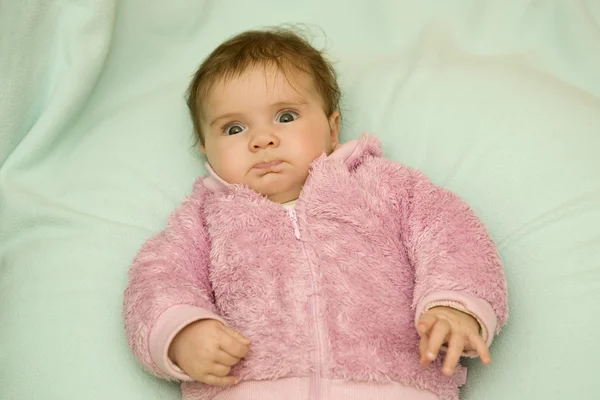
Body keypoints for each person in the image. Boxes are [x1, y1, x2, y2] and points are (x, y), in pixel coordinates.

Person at [123, 27, 508, 400]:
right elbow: (157, 279)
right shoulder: (203, 219)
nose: (262, 139)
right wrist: (181, 332)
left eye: (286, 116)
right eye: (234, 128)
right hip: (248, 387)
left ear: (332, 127)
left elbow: (453, 235)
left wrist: (454, 305)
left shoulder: (384, 186)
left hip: (393, 382)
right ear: (206, 149)